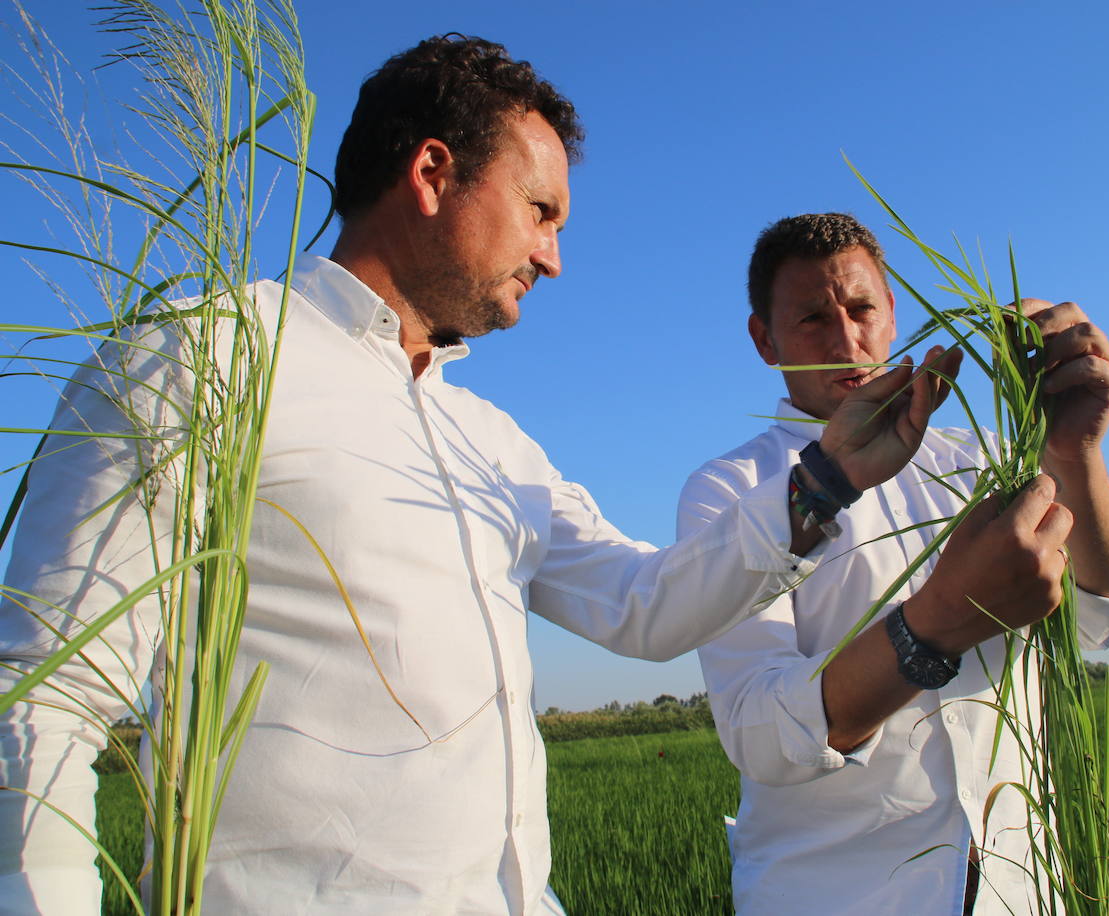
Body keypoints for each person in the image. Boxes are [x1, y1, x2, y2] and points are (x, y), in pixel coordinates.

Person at [0, 42, 962, 915]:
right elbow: (40, 697)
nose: (553, 256)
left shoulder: (492, 442)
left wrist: (828, 478)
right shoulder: (204, 363)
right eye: (540, 212)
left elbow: (646, 606)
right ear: (431, 173)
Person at [679, 213, 1109, 915]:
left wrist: (1074, 453)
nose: (846, 339)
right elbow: (761, 731)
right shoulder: (735, 494)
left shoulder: (985, 459)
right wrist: (936, 621)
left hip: (1022, 887)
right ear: (765, 340)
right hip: (835, 898)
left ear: (893, 312)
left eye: (861, 308)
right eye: (813, 318)